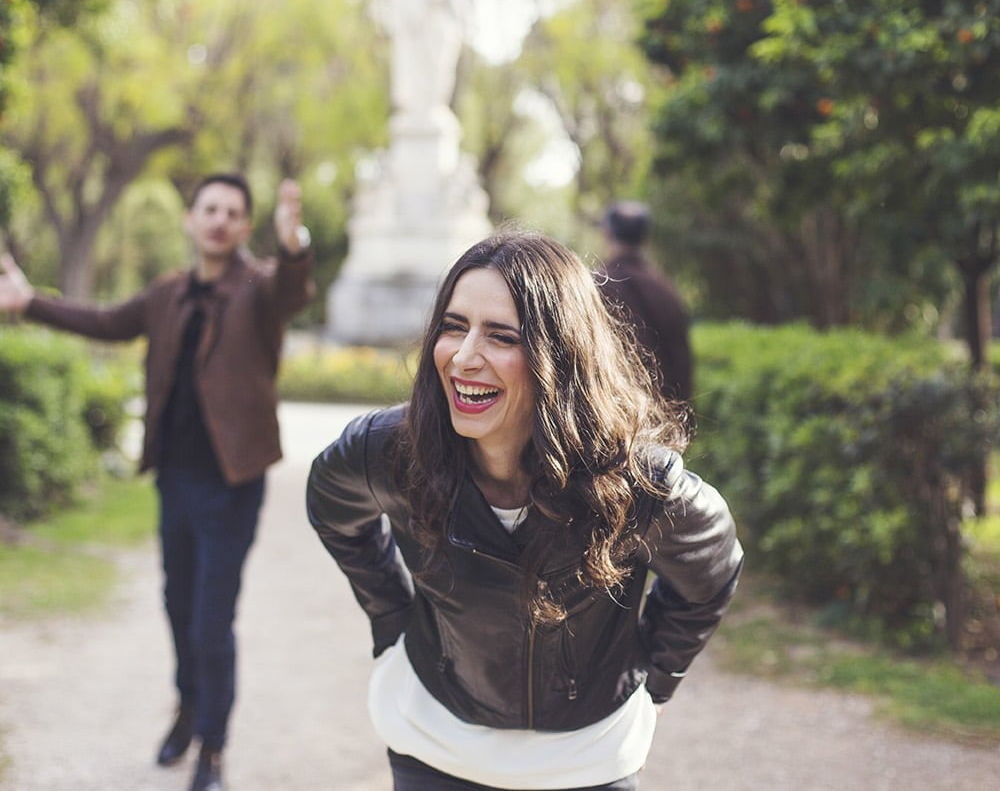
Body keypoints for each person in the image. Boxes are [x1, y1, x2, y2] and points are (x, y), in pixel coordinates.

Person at [306, 231, 743, 791]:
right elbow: (332, 508)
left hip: (587, 758)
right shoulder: (387, 451)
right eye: (454, 326)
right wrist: (392, 617)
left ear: (559, 355)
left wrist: (654, 678)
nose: (464, 358)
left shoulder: (638, 483)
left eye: (501, 336)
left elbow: (713, 571)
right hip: (433, 741)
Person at [0, 174, 314, 791]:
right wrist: (29, 303)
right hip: (174, 478)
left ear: (244, 227)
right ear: (190, 218)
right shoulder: (168, 292)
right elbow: (105, 321)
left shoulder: (258, 287)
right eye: (210, 208)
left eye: (233, 212)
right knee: (178, 607)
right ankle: (186, 707)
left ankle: (212, 746)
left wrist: (293, 245)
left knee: (211, 619)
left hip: (231, 483)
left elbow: (293, 290)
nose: (220, 220)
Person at [595, 201, 693, 404]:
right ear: (645, 239)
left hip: (610, 414)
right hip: (665, 419)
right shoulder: (665, 290)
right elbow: (682, 363)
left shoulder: (594, 287)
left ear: (606, 234)